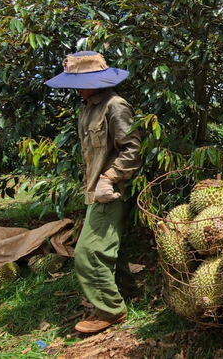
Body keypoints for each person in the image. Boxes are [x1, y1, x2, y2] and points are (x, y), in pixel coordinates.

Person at [45, 51, 142, 333]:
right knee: (111, 244)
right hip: (96, 190)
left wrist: (109, 178)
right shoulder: (87, 105)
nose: (74, 87)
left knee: (88, 253)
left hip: (110, 191)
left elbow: (132, 149)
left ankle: (110, 310)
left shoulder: (115, 106)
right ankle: (127, 291)